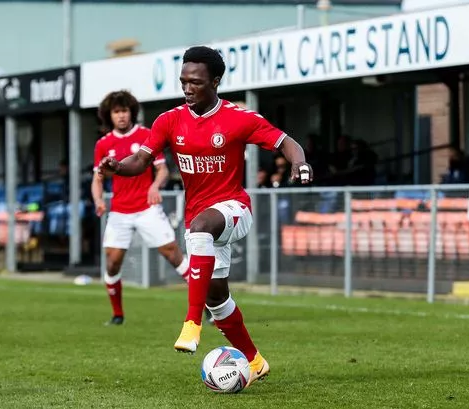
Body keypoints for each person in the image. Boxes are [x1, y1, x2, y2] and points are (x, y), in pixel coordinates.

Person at [97, 46, 312, 387]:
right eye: (183, 81)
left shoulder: (239, 118)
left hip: (234, 209)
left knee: (200, 229)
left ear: (214, 81)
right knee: (217, 297)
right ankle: (255, 361)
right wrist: (117, 167)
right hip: (200, 220)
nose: (187, 88)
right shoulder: (169, 120)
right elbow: (139, 161)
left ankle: (191, 323)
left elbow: (287, 142)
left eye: (195, 82)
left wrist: (299, 163)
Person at [92, 90, 205, 326]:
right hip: (120, 212)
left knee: (174, 255)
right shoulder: (103, 144)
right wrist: (98, 200)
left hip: (146, 208)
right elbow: (98, 178)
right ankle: (117, 315)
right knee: (112, 262)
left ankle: (207, 307)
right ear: (109, 115)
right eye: (116, 112)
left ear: (131, 112)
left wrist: (155, 186)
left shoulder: (146, 135)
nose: (121, 116)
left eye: (124, 111)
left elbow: (162, 169)